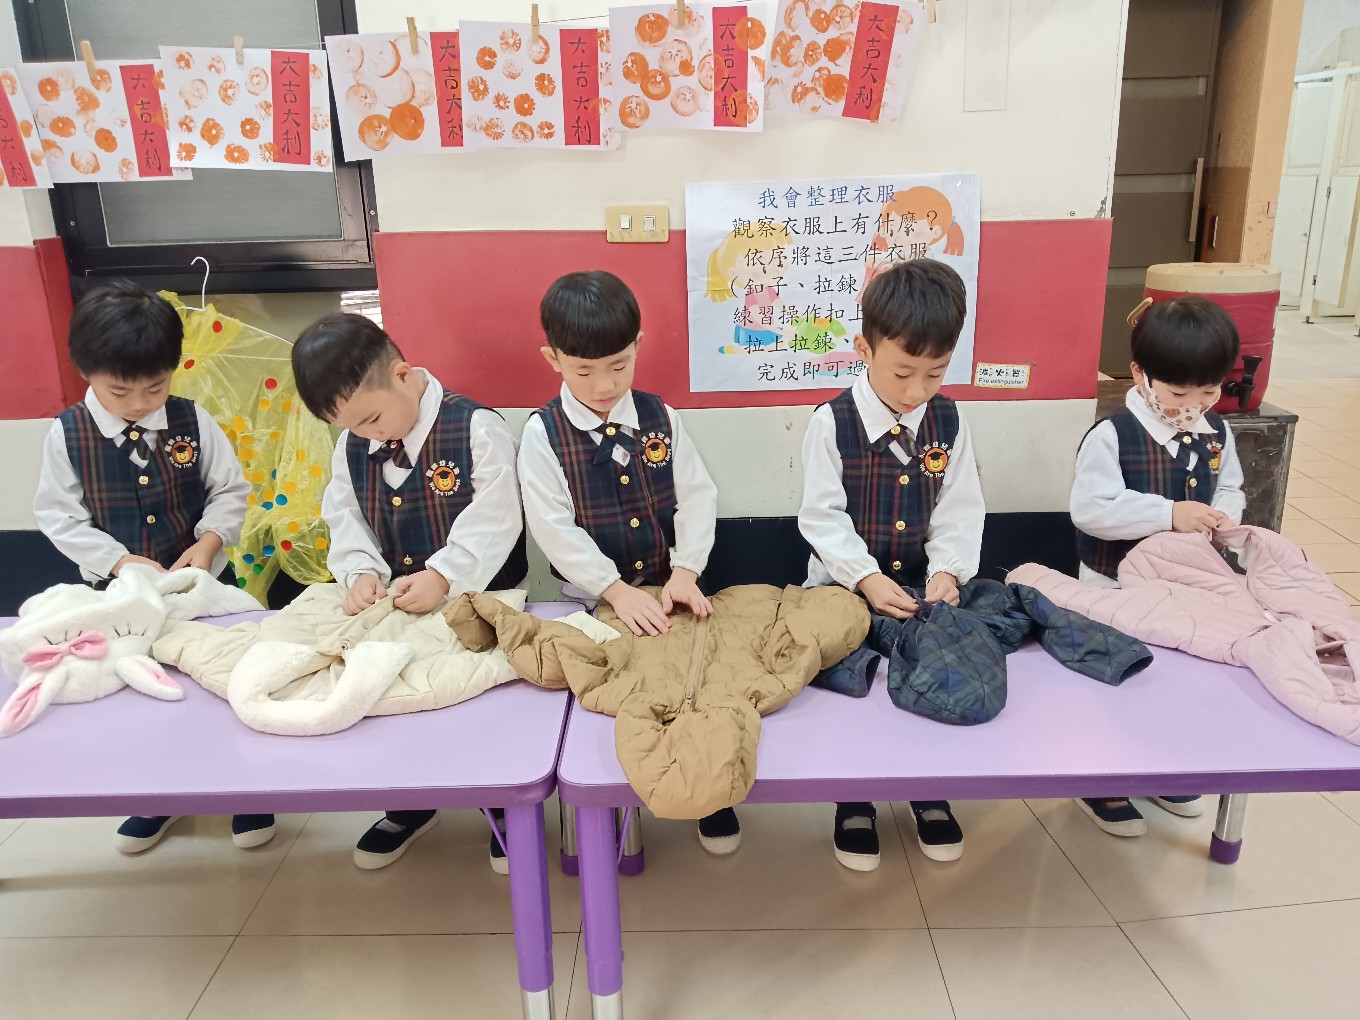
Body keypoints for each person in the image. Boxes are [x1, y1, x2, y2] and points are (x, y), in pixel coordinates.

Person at [33, 280, 272, 854]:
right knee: (140, 692)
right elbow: (59, 517)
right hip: (118, 602)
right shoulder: (68, 434)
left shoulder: (194, 421)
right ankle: (158, 793)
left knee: (219, 684)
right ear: (86, 372)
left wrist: (210, 542)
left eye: (155, 387)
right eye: (120, 391)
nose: (140, 403)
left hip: (202, 589)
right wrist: (115, 560)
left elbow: (230, 490)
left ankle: (245, 790)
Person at [293, 312, 528, 871]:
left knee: (480, 708)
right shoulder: (354, 446)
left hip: (481, 603)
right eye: (353, 428)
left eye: (373, 419)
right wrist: (359, 573)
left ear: (403, 376)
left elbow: (497, 517)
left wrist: (445, 574)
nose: (368, 435)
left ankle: (502, 807)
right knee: (397, 703)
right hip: (399, 607)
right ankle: (409, 802)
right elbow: (346, 517)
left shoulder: (475, 427)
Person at [517, 271, 738, 854]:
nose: (605, 384)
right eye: (583, 371)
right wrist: (614, 589)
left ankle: (708, 790)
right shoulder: (543, 434)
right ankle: (615, 800)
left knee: (696, 681)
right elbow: (554, 530)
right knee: (618, 695)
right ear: (553, 359)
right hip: (595, 600)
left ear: (638, 345)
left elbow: (697, 495)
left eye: (619, 365)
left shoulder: (660, 417)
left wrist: (686, 570)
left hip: (672, 587)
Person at [798, 259, 984, 871]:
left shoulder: (949, 422)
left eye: (935, 373)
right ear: (864, 349)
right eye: (902, 372)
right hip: (844, 590)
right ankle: (853, 798)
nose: (916, 391)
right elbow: (821, 518)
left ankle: (928, 789)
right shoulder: (832, 422)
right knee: (857, 692)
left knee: (930, 679)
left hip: (919, 589)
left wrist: (946, 571)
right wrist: (866, 577)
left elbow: (959, 508)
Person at [1070, 295, 1244, 836]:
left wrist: (1224, 517)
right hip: (1114, 587)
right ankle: (1101, 780)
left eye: (1208, 392)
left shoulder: (1216, 433)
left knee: (1176, 680)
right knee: (1120, 679)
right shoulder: (1113, 436)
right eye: (1177, 393)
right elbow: (1091, 509)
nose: (1193, 405)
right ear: (1141, 375)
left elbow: (1231, 486)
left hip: (1185, 588)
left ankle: (1162, 768)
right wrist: (1169, 514)